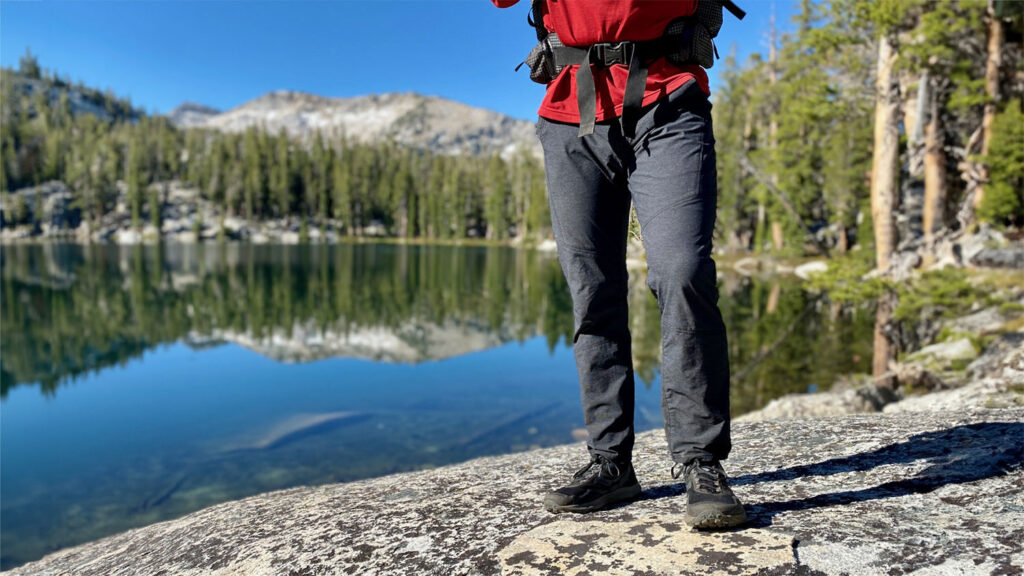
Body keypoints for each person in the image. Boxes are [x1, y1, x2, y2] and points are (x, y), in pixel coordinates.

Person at [491, 0, 747, 529]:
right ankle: (611, 464)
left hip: (668, 98)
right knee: (592, 289)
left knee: (682, 271)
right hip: (571, 109)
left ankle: (700, 461)